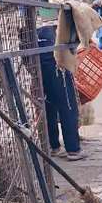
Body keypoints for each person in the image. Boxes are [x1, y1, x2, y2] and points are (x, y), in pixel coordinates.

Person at [37, 23, 83, 160]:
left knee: (48, 106)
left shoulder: (31, 25)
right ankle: (73, 149)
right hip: (57, 68)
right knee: (68, 107)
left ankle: (54, 146)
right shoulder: (60, 24)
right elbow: (73, 45)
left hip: (39, 68)